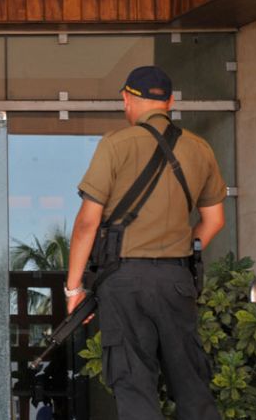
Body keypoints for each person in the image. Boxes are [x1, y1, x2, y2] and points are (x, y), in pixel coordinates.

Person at [65, 66, 226, 420]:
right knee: (191, 385)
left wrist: (73, 288)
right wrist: (178, 249)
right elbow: (214, 220)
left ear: (127, 98)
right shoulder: (200, 148)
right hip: (176, 281)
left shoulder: (115, 144)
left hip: (124, 281)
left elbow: (87, 223)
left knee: (135, 386)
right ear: (169, 102)